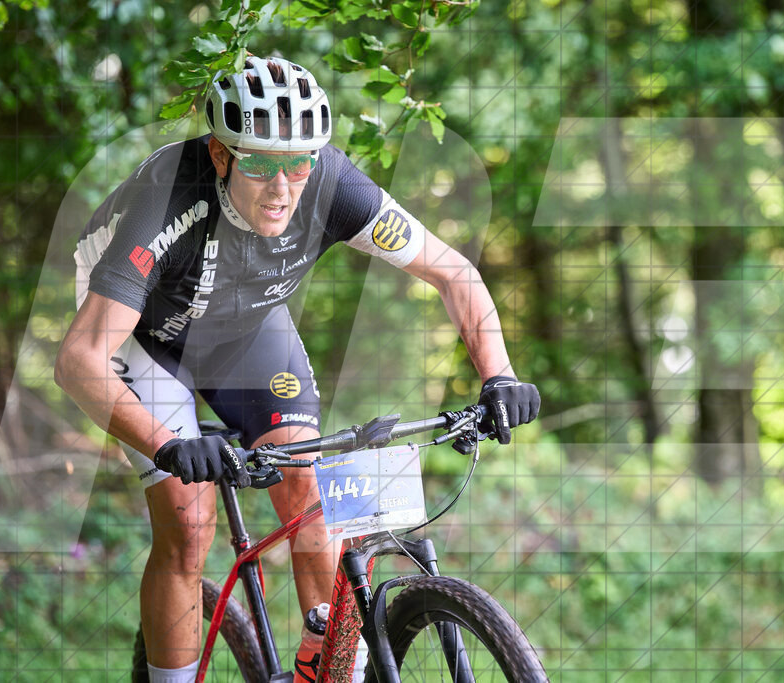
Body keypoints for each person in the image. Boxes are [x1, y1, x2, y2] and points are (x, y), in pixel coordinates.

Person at [54, 55, 540, 682]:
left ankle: (326, 668)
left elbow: (452, 271)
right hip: (143, 332)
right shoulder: (169, 195)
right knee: (189, 521)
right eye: (259, 163)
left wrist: (497, 374)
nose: (282, 187)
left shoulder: (335, 184)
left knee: (309, 490)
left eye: (298, 163)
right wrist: (169, 443)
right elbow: (77, 361)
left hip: (245, 325)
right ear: (222, 154)